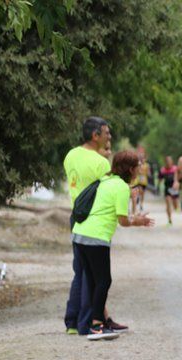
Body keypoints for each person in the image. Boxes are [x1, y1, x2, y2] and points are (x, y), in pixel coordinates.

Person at [72, 151, 154, 340]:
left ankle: (99, 321)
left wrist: (129, 193)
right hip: (96, 237)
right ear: (131, 169)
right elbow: (123, 221)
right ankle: (97, 325)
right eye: (137, 167)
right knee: (104, 280)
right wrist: (138, 221)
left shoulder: (107, 180)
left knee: (93, 280)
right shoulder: (121, 188)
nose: (139, 169)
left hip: (80, 234)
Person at [62, 117, 128, 335]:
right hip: (94, 220)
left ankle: (73, 322)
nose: (109, 137)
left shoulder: (71, 155)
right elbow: (107, 190)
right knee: (94, 275)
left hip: (76, 217)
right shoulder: (100, 164)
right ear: (95, 136)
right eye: (106, 133)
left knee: (80, 271)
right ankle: (90, 322)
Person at [160, 156, 179, 226]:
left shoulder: (174, 169)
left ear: (172, 162)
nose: (169, 162)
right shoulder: (163, 170)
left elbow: (176, 178)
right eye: (167, 161)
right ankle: (169, 220)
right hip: (167, 188)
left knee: (175, 205)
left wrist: (176, 182)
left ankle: (176, 207)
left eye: (170, 160)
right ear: (165, 162)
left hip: (173, 188)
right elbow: (160, 178)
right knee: (168, 202)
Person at [130, 146, 150, 214]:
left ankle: (141, 203)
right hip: (138, 181)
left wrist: (145, 172)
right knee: (139, 190)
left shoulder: (147, 165)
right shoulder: (137, 164)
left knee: (142, 193)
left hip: (144, 181)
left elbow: (148, 173)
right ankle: (137, 201)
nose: (142, 159)